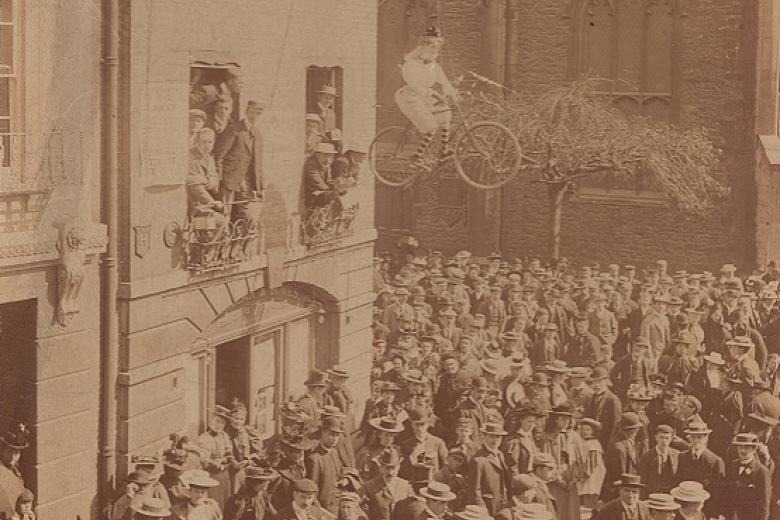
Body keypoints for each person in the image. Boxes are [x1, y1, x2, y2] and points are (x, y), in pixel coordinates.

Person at [394, 25, 458, 168]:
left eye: (437, 47)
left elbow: (444, 81)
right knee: (431, 126)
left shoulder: (434, 66)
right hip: (409, 97)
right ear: (423, 47)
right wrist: (432, 93)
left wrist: (453, 93)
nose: (435, 50)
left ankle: (444, 150)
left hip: (426, 97)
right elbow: (414, 84)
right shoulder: (410, 64)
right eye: (431, 46)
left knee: (446, 114)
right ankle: (416, 156)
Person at [213, 100, 264, 223]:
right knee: (225, 212)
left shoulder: (257, 134)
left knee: (245, 215)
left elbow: (258, 163)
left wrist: (259, 186)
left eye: (258, 113)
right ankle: (221, 240)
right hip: (229, 178)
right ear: (246, 112)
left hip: (245, 182)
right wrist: (219, 178)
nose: (254, 116)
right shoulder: (234, 129)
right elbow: (219, 155)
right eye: (252, 112)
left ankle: (238, 241)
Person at [674, 421, 723, 519]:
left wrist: (714, 515)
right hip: (684, 510)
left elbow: (718, 492)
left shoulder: (715, 461)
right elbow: (678, 481)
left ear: (706, 438)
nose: (695, 440)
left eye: (699, 437)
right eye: (693, 437)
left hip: (705, 511)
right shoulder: (682, 457)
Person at [722, 432, 771, 520]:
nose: (742, 451)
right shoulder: (733, 465)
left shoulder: (761, 472)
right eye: (740, 447)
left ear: (754, 449)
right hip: (731, 516)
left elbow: (764, 504)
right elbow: (727, 493)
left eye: (746, 447)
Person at [466, 422, 512, 516]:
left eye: (498, 437)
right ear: (484, 437)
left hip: (502, 507)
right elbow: (474, 492)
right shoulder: (478, 460)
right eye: (491, 436)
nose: (495, 440)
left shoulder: (500, 455)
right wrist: (483, 512)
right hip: (488, 508)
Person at [305, 416, 345, 515]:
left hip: (338, 505)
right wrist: (321, 513)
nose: (334, 439)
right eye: (331, 434)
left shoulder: (334, 452)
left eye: (337, 435)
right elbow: (311, 493)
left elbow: (338, 473)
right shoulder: (315, 459)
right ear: (323, 432)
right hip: (325, 510)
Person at [196, 405, 233, 509]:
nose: (219, 425)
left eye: (222, 422)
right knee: (215, 504)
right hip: (212, 476)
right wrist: (216, 462)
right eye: (217, 421)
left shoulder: (224, 436)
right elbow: (204, 460)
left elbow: (229, 454)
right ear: (211, 420)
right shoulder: (204, 438)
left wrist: (223, 459)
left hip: (224, 476)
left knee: (226, 502)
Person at [364, 448, 414, 520]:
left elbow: (412, 510)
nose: (390, 472)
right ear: (381, 468)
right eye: (387, 468)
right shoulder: (369, 486)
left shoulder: (406, 486)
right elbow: (360, 508)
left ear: (398, 468)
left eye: (393, 468)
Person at [637, 425, 680, 497]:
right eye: (661, 437)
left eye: (667, 438)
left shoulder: (677, 455)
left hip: (671, 496)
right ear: (656, 437)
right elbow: (642, 481)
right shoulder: (647, 457)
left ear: (671, 439)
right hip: (652, 496)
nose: (664, 441)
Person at [0, 424, 29, 519]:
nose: (12, 458)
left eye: (16, 453)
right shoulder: (2, 472)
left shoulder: (13, 470)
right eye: (8, 452)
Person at [303, 142, 339, 209]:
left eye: (330, 155)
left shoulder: (326, 164)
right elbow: (317, 181)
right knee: (332, 196)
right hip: (311, 194)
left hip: (321, 191)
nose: (328, 157)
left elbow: (329, 180)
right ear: (318, 154)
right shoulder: (311, 164)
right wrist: (328, 190)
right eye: (325, 155)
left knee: (337, 194)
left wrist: (335, 186)